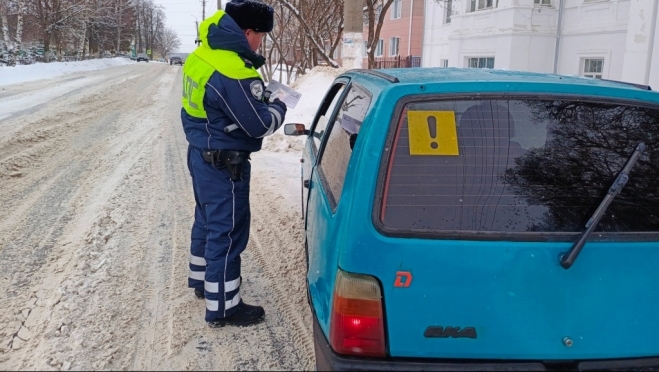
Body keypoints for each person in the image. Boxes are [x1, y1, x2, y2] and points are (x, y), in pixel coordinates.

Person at [180, 0, 287, 327]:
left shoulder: (201, 55)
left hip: (201, 153)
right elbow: (258, 125)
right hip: (226, 164)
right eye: (260, 37)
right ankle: (224, 305)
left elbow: (198, 109)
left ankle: (202, 281)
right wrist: (279, 106)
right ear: (247, 32)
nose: (260, 43)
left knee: (207, 219)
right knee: (227, 232)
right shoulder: (232, 70)